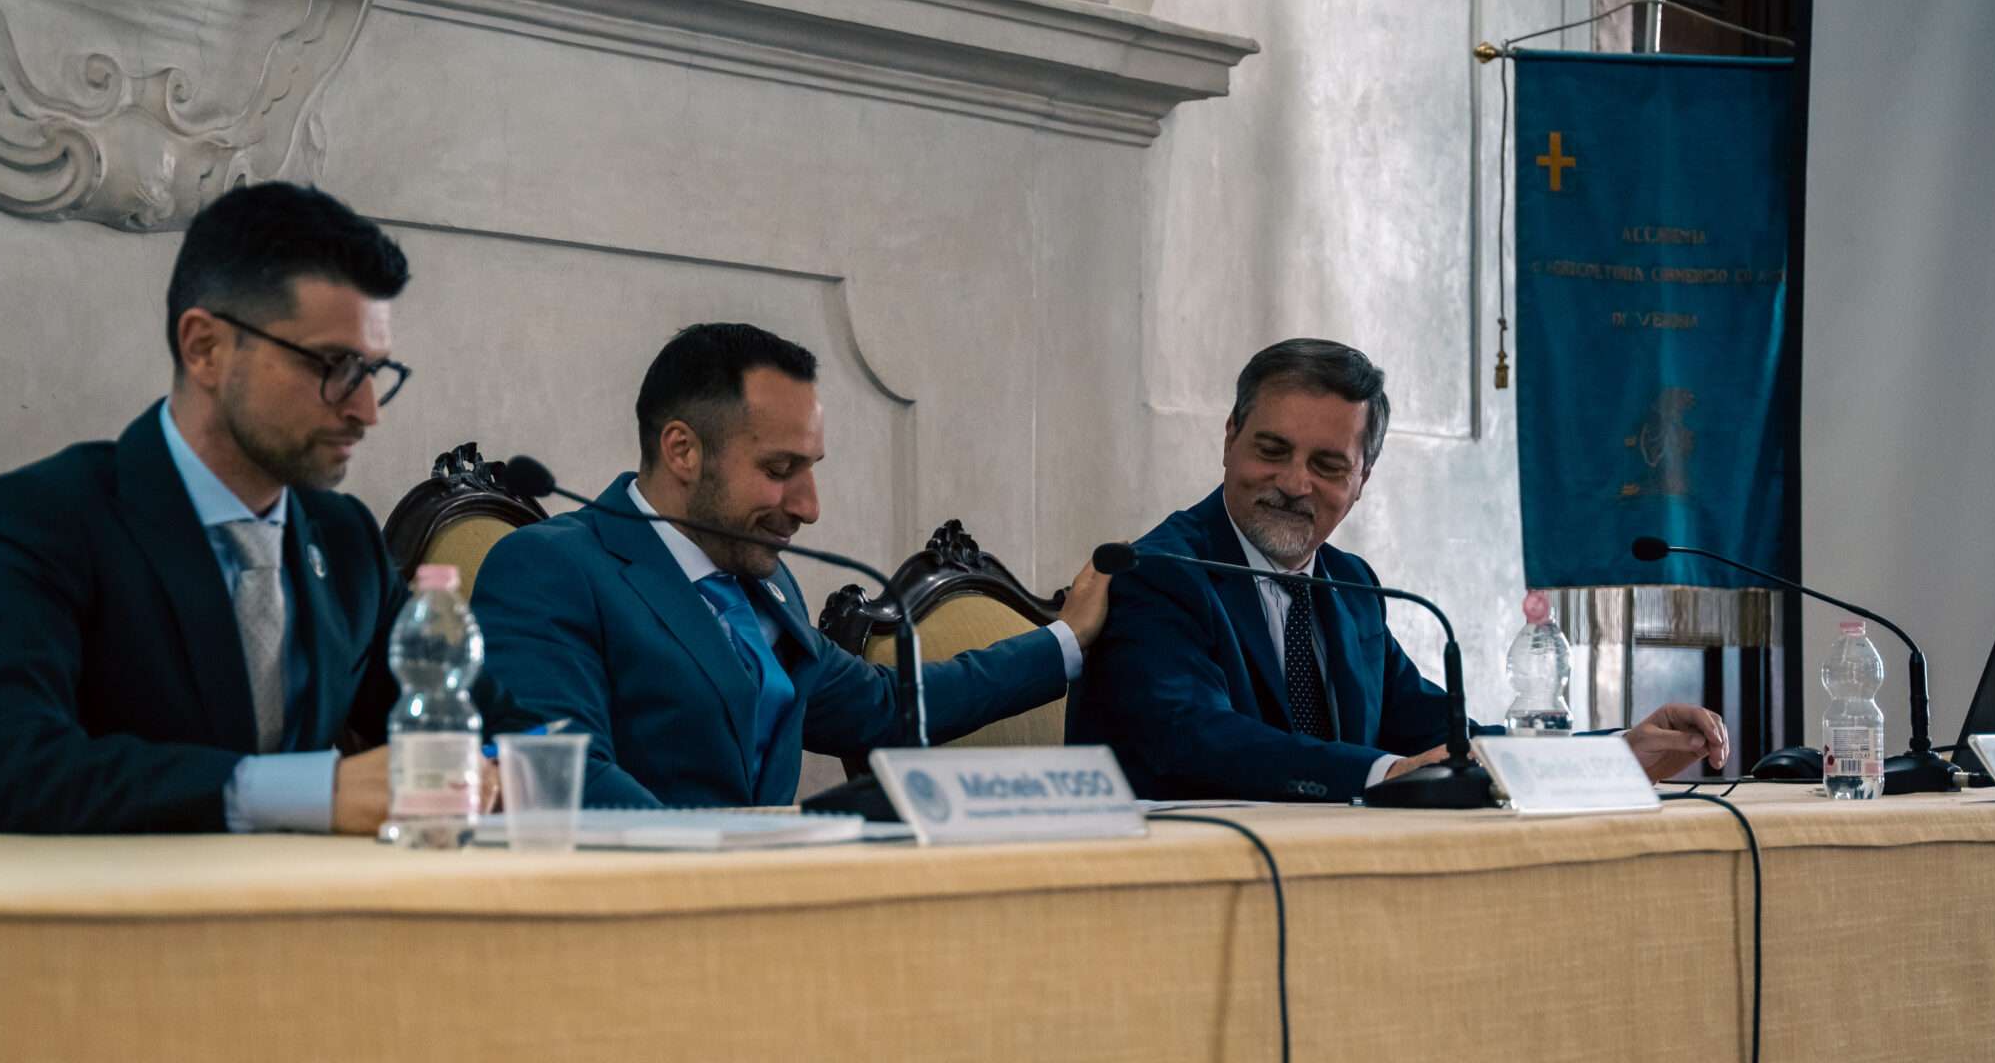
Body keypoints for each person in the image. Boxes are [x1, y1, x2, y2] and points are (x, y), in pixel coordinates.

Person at [0, 182, 521, 834]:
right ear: (205, 349)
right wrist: (311, 791)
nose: (366, 410)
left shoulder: (344, 537)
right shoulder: (44, 518)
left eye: (374, 372)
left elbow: (500, 730)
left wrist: (504, 773)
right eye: (335, 365)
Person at [471, 322, 1114, 808]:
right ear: (683, 451)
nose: (809, 507)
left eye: (811, 469)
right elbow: (564, 779)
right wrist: (742, 864)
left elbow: (884, 705)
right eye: (780, 469)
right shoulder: (550, 569)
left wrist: (1064, 640)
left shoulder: (765, 582)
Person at [1068, 337, 1726, 801]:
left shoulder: (1351, 585)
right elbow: (1199, 741)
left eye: (1327, 464)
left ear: (1362, 480)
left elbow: (1445, 739)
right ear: (1229, 438)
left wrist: (1613, 754)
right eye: (1272, 451)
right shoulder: (1158, 572)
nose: (1294, 483)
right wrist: (1384, 774)